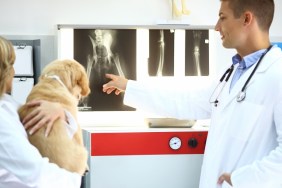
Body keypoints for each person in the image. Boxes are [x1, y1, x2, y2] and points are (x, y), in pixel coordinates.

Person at [102, 0, 282, 187]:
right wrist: (130, 87)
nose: (216, 27)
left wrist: (243, 179)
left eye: (222, 18)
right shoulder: (231, 72)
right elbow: (186, 101)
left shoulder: (277, 73)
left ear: (246, 19)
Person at [0, 36, 82, 187]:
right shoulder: (2, 119)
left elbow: (39, 125)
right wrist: (75, 178)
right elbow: (36, 173)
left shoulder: (7, 103)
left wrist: (60, 112)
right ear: (3, 71)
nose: (14, 71)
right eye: (11, 65)